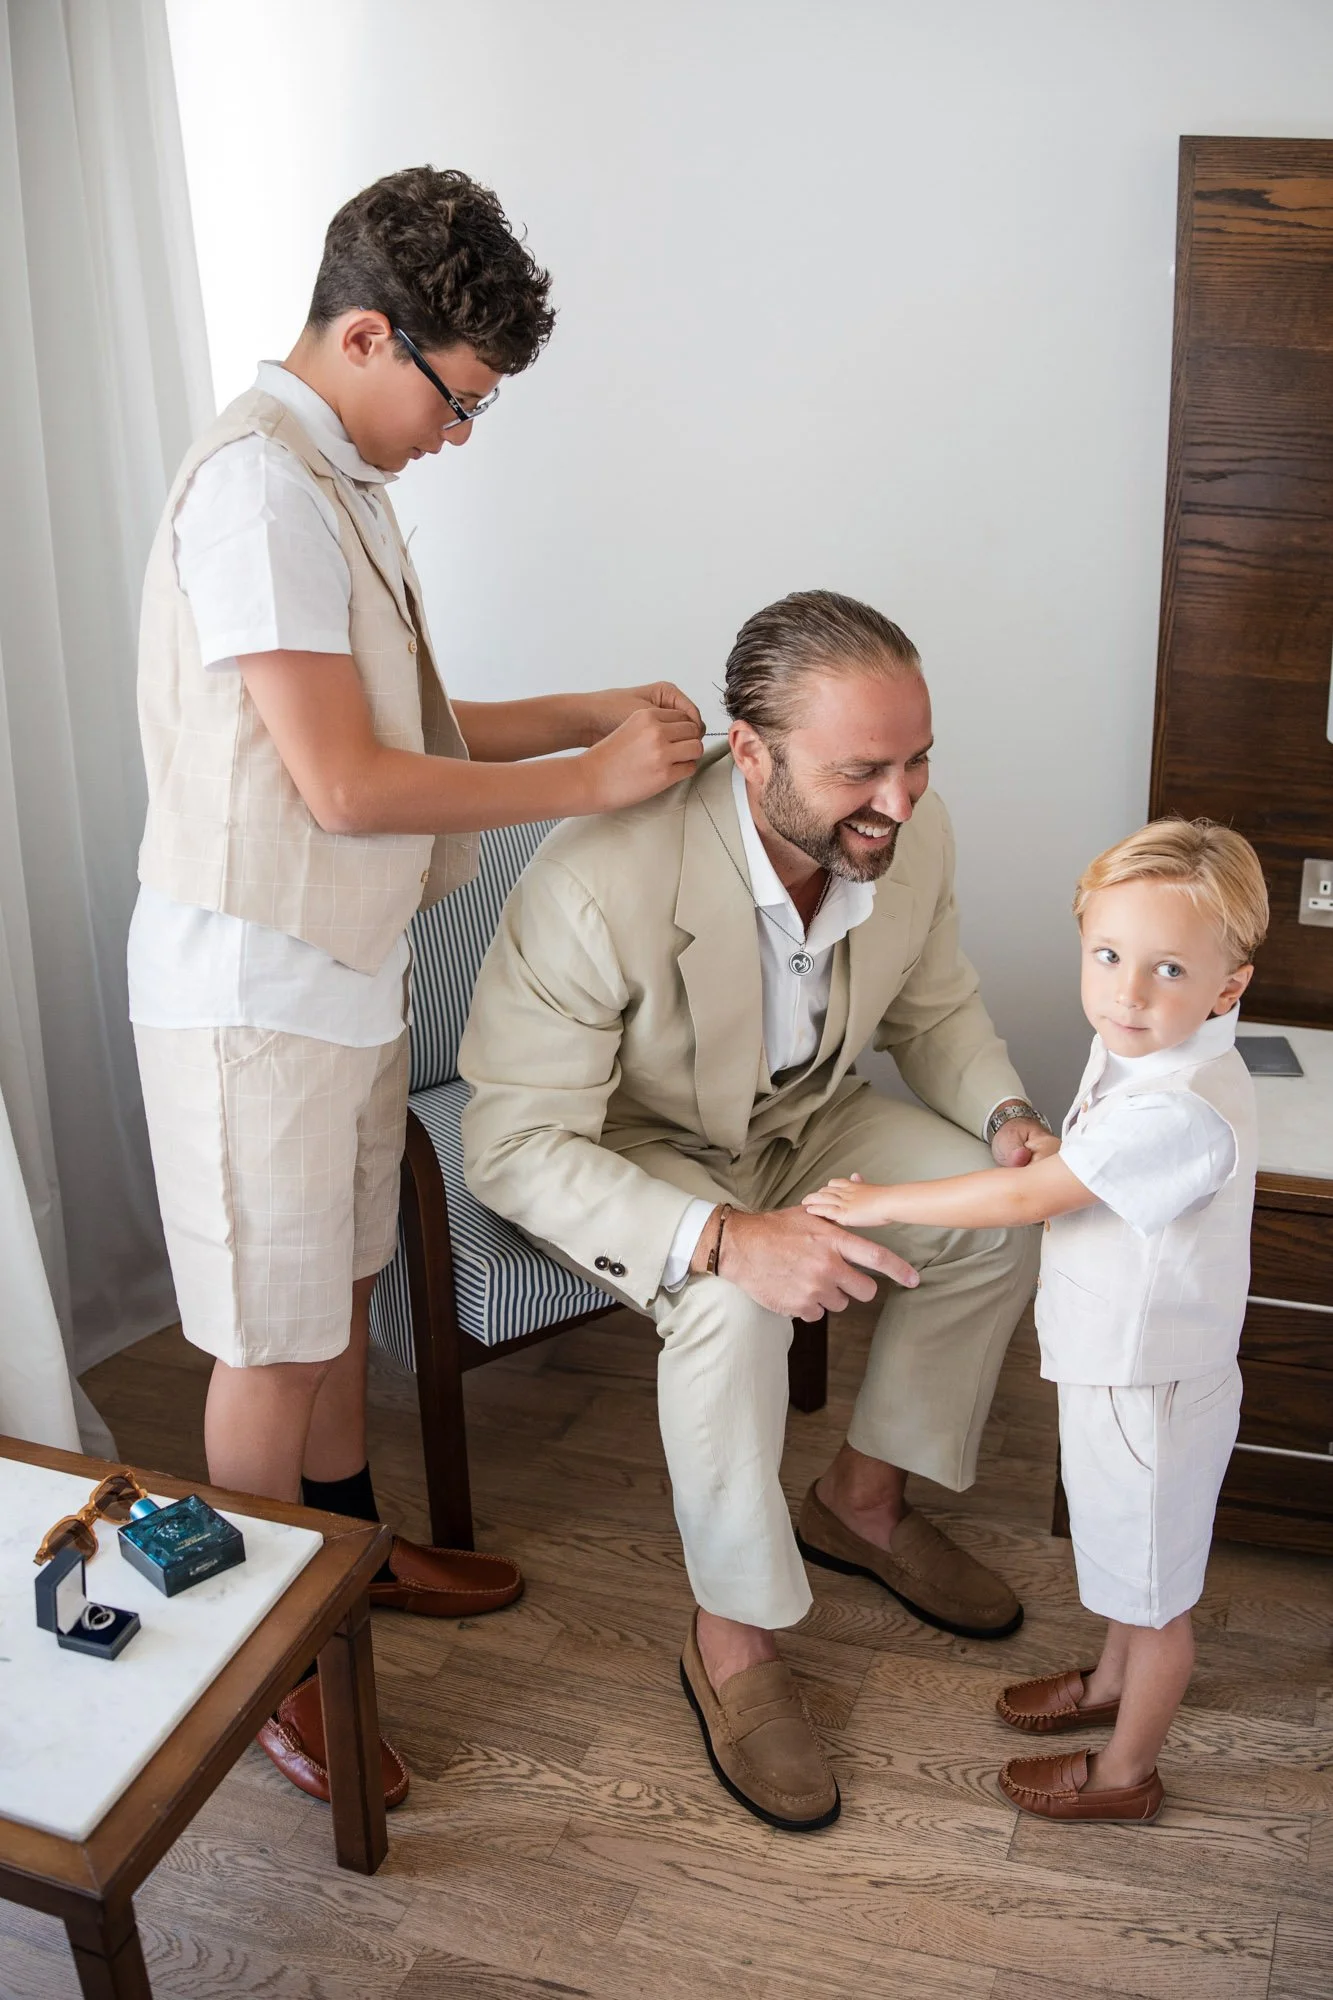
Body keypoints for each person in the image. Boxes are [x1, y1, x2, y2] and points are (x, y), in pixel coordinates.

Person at [129, 165, 703, 1809]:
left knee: (323, 1323)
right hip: (253, 988)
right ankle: (283, 1683)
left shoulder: (337, 478)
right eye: (456, 400)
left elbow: (410, 728)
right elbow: (343, 790)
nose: (458, 436)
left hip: (335, 974)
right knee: (265, 1342)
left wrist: (584, 709)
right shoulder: (258, 490)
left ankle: (355, 1568)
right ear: (370, 333)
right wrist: (588, 784)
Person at [460, 588, 1045, 1832]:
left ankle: (861, 1504)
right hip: (637, 1143)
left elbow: (933, 1013)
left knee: (1002, 1212)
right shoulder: (598, 874)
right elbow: (509, 1138)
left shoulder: (909, 837)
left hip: (803, 1118)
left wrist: (1005, 1123)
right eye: (861, 771)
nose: (901, 798)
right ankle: (730, 1636)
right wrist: (724, 1236)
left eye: (918, 757)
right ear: (753, 750)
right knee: (732, 1313)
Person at [805, 818, 1267, 1823]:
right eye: (1107, 955)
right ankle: (1107, 1683)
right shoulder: (1142, 1053)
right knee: (1125, 1562)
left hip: (1149, 1383)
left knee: (1159, 1597)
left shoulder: (1179, 1103)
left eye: (1167, 969)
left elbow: (1029, 1200)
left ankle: (1126, 1771)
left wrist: (882, 1199)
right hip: (1117, 1363)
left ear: (1228, 985)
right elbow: (1090, 1164)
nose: (1126, 992)